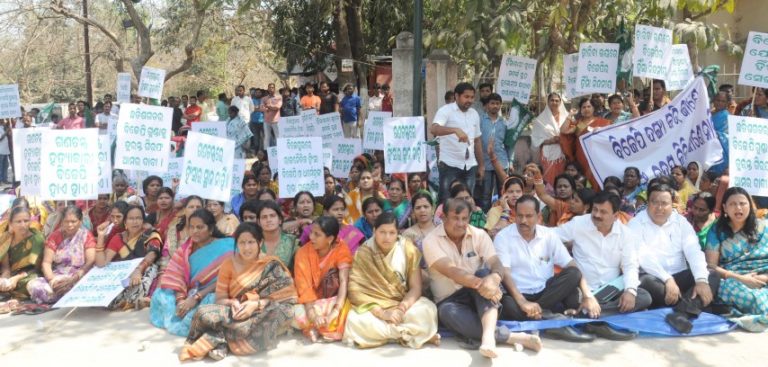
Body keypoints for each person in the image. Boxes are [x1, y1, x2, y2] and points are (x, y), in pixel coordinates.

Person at [423, 198, 542, 358]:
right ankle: (509, 337)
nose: (460, 223)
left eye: (464, 218)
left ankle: (487, 338)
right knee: (445, 311)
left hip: (481, 298)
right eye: (455, 218)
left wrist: (495, 278)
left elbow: (495, 262)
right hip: (451, 300)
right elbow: (453, 272)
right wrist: (487, 286)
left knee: (484, 274)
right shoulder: (431, 240)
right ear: (444, 218)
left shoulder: (479, 234)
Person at [179, 223, 297, 361]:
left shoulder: (271, 264)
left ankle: (218, 339)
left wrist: (256, 305)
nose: (246, 247)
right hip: (236, 313)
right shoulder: (228, 264)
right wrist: (232, 302)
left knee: (285, 312)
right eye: (242, 243)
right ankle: (225, 340)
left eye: (251, 242)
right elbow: (220, 299)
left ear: (260, 242)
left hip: (262, 312)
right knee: (203, 313)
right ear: (236, 244)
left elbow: (286, 298)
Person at [495, 195, 595, 342]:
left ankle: (540, 315)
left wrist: (588, 296)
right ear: (514, 215)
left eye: (529, 216)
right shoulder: (503, 237)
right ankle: (552, 321)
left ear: (539, 216)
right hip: (519, 295)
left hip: (546, 293)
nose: (523, 221)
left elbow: (571, 265)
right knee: (508, 305)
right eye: (520, 216)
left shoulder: (548, 235)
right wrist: (523, 302)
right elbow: (505, 274)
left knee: (573, 274)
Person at [554, 192, 651, 340]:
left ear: (616, 215)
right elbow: (551, 236)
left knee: (643, 296)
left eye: (603, 212)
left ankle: (584, 314)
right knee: (571, 295)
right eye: (595, 210)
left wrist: (630, 291)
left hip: (610, 289)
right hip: (582, 289)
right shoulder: (579, 223)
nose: (597, 215)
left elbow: (630, 265)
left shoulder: (626, 234)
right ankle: (595, 315)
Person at [629, 184, 717, 333]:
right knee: (646, 282)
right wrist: (667, 279)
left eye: (664, 203)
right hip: (655, 278)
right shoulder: (636, 223)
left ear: (672, 204)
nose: (659, 207)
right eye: (654, 202)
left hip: (679, 276)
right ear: (647, 203)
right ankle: (693, 305)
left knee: (712, 275)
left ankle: (680, 314)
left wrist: (701, 280)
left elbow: (694, 251)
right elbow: (642, 256)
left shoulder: (681, 222)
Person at [344, 213, 439, 348]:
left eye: (391, 232)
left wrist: (401, 309)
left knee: (427, 310)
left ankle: (388, 334)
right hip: (375, 307)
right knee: (354, 320)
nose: (387, 237)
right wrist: (382, 313)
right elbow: (356, 290)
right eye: (382, 232)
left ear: (397, 233)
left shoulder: (408, 249)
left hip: (403, 304)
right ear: (374, 231)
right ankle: (406, 333)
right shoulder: (364, 252)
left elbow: (415, 287)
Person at [150, 209, 235, 336]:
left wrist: (196, 297)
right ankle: (181, 313)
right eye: (192, 227)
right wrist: (180, 301)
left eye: (200, 227)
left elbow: (227, 279)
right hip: (189, 291)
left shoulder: (227, 246)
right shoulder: (185, 249)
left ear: (211, 229)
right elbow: (177, 278)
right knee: (161, 294)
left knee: (211, 301)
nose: (195, 231)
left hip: (213, 291)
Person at [705, 187, 768, 331]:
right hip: (731, 281)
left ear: (750, 206)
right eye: (733, 204)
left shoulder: (764, 228)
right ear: (725, 208)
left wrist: (761, 279)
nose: (738, 208)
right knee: (752, 298)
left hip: (762, 280)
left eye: (742, 203)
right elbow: (711, 267)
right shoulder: (717, 231)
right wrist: (741, 278)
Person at [292, 216, 353, 342]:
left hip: (335, 301)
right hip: (310, 303)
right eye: (311, 233)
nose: (311, 237)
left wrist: (335, 311)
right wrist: (313, 314)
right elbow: (304, 288)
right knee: (293, 313)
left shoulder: (341, 248)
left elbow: (344, 281)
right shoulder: (303, 253)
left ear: (330, 239)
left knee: (352, 310)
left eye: (317, 234)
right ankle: (324, 327)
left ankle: (317, 328)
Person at [95, 205, 162, 310]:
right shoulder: (118, 238)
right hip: (125, 273)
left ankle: (132, 300)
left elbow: (152, 254)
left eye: (138, 218)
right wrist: (100, 236)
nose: (135, 222)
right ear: (125, 222)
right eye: (131, 218)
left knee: (150, 270)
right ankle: (123, 301)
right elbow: (101, 263)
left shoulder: (151, 234)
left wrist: (138, 270)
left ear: (143, 221)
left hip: (143, 270)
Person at [28, 206, 96, 304]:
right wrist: (53, 281)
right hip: (58, 276)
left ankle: (67, 295)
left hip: (79, 275)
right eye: (66, 221)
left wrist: (74, 279)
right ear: (62, 221)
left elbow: (90, 262)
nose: (69, 225)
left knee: (85, 286)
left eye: (73, 221)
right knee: (34, 285)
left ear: (80, 221)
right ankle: (67, 296)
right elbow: (46, 263)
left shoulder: (86, 235)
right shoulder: (55, 236)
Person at [431, 82, 484, 203]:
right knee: (447, 201)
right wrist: (455, 130)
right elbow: (434, 129)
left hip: (470, 166)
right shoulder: (445, 111)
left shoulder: (474, 114)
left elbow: (477, 140)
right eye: (466, 97)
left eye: (472, 97)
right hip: (450, 165)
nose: (469, 100)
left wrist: (481, 165)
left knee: (467, 202)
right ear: (456, 96)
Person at [560, 98, 611, 189]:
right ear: (581, 110)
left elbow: (610, 138)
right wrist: (570, 114)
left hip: (597, 157)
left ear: (593, 108)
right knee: (582, 178)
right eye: (584, 107)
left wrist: (600, 131)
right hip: (581, 156)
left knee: (595, 178)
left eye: (589, 106)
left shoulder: (603, 122)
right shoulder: (579, 124)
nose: (586, 109)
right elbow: (564, 131)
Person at [0, 207, 45, 300]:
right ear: (11, 223)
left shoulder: (37, 239)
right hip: (11, 274)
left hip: (28, 275)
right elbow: (6, 268)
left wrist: (16, 279)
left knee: (35, 286)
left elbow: (36, 268)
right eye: (18, 221)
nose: (23, 225)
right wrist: (4, 279)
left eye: (26, 221)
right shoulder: (6, 238)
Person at [478, 93, 508, 212]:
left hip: (501, 162)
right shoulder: (480, 120)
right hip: (485, 163)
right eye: (492, 103)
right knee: (485, 194)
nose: (495, 106)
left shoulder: (504, 122)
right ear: (487, 105)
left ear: (500, 105)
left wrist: (510, 161)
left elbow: (509, 144)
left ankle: (504, 217)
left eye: (497, 103)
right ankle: (485, 219)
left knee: (504, 192)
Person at [531, 93, 568, 186]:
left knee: (562, 179)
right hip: (547, 154)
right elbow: (535, 139)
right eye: (552, 100)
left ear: (560, 102)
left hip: (564, 154)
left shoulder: (567, 117)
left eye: (557, 100)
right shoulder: (540, 120)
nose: (554, 102)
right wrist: (550, 141)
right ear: (548, 102)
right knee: (548, 182)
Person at [161, 196, 205, 271]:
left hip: (197, 273)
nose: (195, 210)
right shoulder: (174, 231)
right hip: (171, 270)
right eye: (191, 207)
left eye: (198, 207)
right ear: (184, 210)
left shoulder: (206, 233)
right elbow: (166, 255)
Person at [257, 200, 300, 271]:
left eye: (272, 216)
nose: (268, 220)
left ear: (280, 219)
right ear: (259, 222)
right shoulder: (254, 242)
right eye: (264, 217)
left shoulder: (292, 242)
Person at [710, 91, 731, 175]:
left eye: (723, 101)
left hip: (722, 152)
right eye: (717, 100)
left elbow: (727, 136)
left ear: (727, 103)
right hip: (709, 150)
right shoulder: (708, 114)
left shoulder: (726, 116)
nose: (719, 103)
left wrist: (714, 134)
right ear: (714, 101)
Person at [262, 83, 282, 148]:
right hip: (266, 121)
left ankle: (279, 151)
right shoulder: (264, 98)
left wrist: (268, 106)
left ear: (275, 89)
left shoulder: (279, 97)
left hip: (276, 121)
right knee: (267, 137)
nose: (271, 89)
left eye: (272, 87)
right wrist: (270, 107)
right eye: (270, 87)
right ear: (268, 89)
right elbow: (262, 108)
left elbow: (277, 107)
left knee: (278, 137)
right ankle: (266, 153)